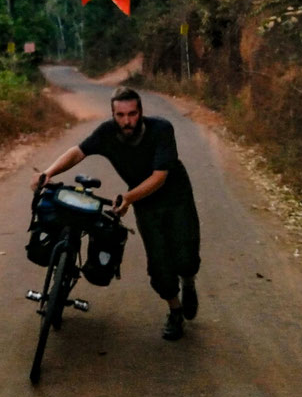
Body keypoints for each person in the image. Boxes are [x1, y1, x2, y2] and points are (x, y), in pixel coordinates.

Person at [30, 86, 201, 340]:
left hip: (176, 198)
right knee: (159, 264)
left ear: (141, 112)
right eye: (120, 115)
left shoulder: (161, 129)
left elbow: (160, 177)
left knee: (185, 256)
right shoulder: (107, 133)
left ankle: (188, 283)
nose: (127, 121)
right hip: (146, 205)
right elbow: (78, 152)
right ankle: (175, 311)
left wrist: (128, 198)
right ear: (113, 115)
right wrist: (49, 173)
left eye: (132, 114)